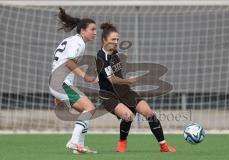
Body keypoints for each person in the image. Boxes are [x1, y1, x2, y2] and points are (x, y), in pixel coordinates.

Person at [96, 22, 176, 153]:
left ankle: (164, 146)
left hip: (124, 92)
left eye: (117, 39)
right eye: (112, 39)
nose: (116, 42)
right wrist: (131, 80)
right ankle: (122, 142)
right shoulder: (101, 58)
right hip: (109, 96)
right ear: (104, 40)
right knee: (128, 116)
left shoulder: (114, 52)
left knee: (149, 113)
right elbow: (112, 79)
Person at [49, 7, 97, 154]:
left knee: (86, 110)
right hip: (60, 83)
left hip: (58, 83)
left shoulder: (71, 40)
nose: (95, 33)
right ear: (83, 31)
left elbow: (61, 63)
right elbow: (69, 63)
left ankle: (79, 147)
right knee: (89, 108)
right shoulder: (78, 43)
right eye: (92, 29)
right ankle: (74, 142)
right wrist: (85, 76)